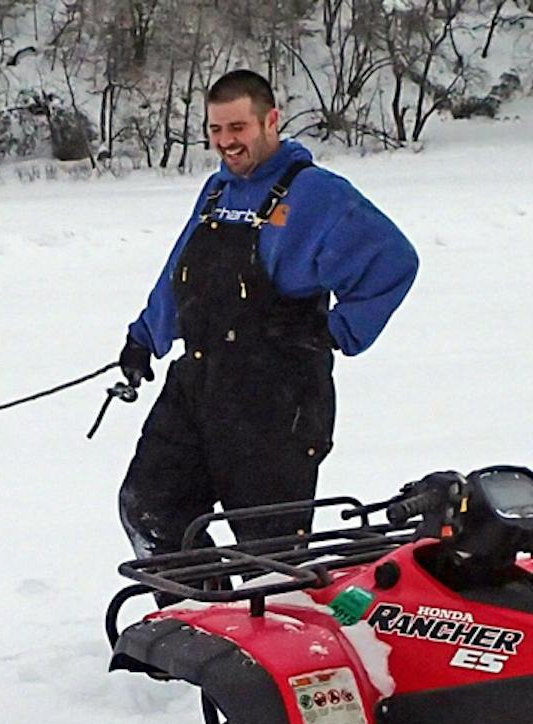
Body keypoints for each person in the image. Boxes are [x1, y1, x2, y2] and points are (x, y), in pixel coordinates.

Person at [116, 69, 418, 556]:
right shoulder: (217, 193)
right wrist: (144, 337)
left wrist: (336, 329)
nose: (226, 142)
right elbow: (182, 272)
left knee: (268, 552)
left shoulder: (317, 195)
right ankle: (197, 621)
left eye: (238, 128)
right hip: (200, 384)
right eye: (216, 130)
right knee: (149, 507)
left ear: (270, 120)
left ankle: (276, 622)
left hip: (276, 400)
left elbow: (393, 262)